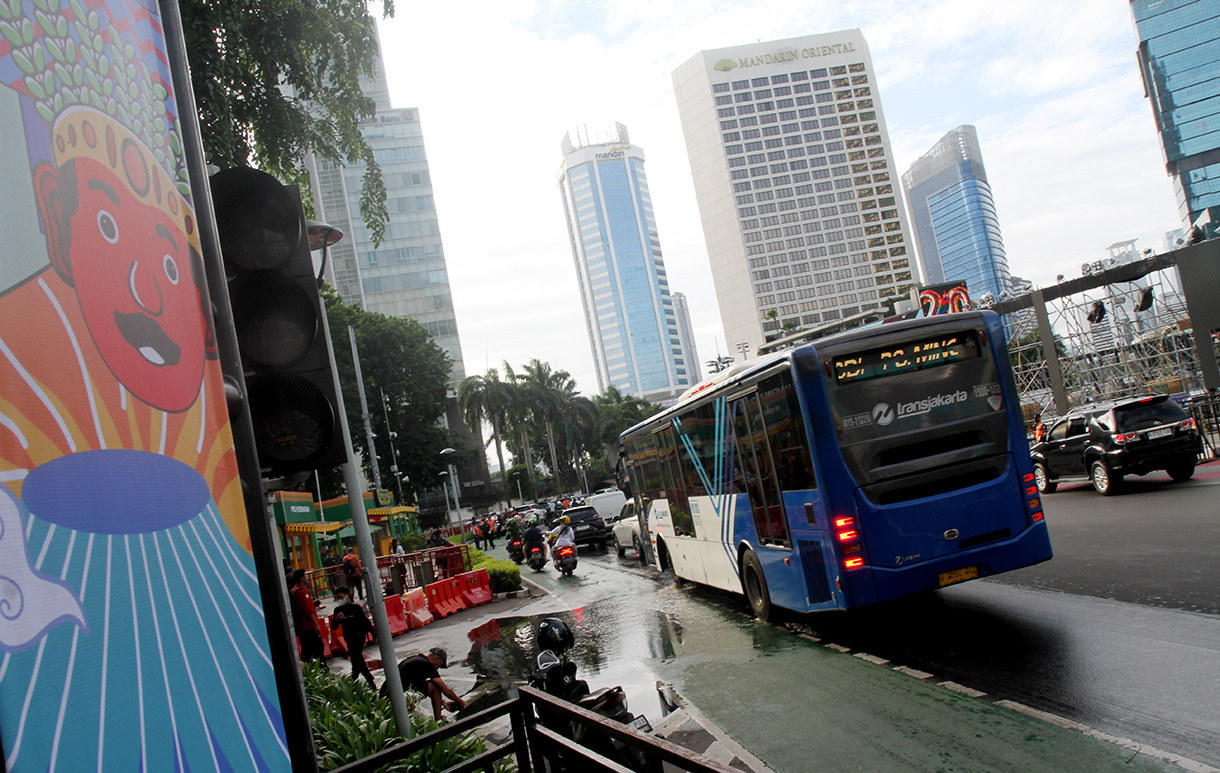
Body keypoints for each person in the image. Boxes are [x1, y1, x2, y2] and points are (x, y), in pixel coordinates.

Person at [385, 648, 465, 721]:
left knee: (429, 685)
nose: (438, 668)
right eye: (440, 665)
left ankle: (438, 718)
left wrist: (443, 702)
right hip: (397, 700)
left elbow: (423, 688)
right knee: (435, 686)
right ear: (437, 659)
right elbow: (445, 690)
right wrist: (459, 701)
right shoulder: (428, 665)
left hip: (386, 698)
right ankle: (438, 720)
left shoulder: (417, 660)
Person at [332, 586, 375, 687]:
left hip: (359, 636)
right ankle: (369, 679)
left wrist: (373, 634)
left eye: (341, 597)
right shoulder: (337, 610)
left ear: (347, 596)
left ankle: (354, 677)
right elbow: (334, 626)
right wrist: (337, 620)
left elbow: (365, 622)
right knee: (357, 657)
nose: (339, 600)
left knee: (355, 657)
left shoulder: (355, 608)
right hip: (348, 637)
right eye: (337, 598)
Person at [288, 570, 324, 663]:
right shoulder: (303, 592)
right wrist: (316, 625)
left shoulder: (294, 591)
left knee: (307, 650)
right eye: (305, 576)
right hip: (309, 626)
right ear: (301, 578)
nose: (307, 578)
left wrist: (312, 603)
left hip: (301, 627)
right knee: (318, 649)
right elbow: (308, 610)